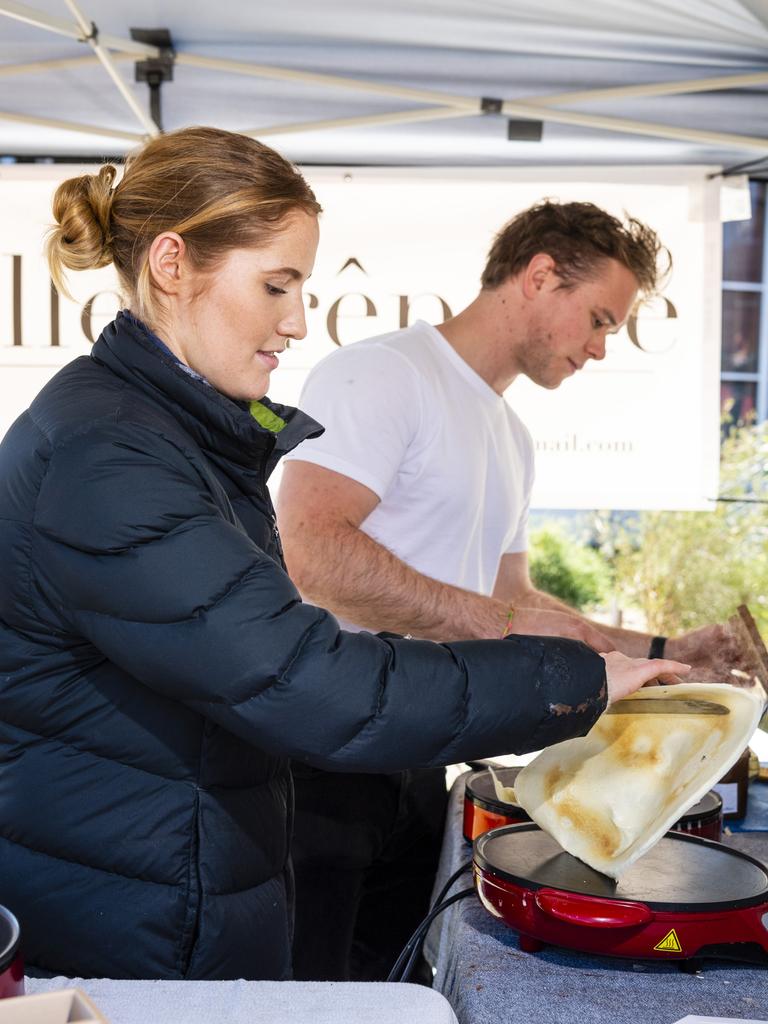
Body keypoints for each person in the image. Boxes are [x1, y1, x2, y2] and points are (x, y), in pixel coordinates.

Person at [0, 130, 688, 982]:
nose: (294, 322)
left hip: (177, 886)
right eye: (276, 286)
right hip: (128, 935)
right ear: (173, 265)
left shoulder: (168, 437)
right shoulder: (107, 454)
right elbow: (305, 678)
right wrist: (570, 678)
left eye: (301, 289)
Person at [276, 200, 735, 981]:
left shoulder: (511, 436)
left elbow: (517, 598)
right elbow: (312, 553)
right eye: (597, 320)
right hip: (320, 756)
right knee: (311, 989)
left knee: (397, 986)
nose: (597, 349)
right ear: (540, 275)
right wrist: (505, 625)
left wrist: (665, 652)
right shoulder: (383, 371)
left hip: (422, 754)